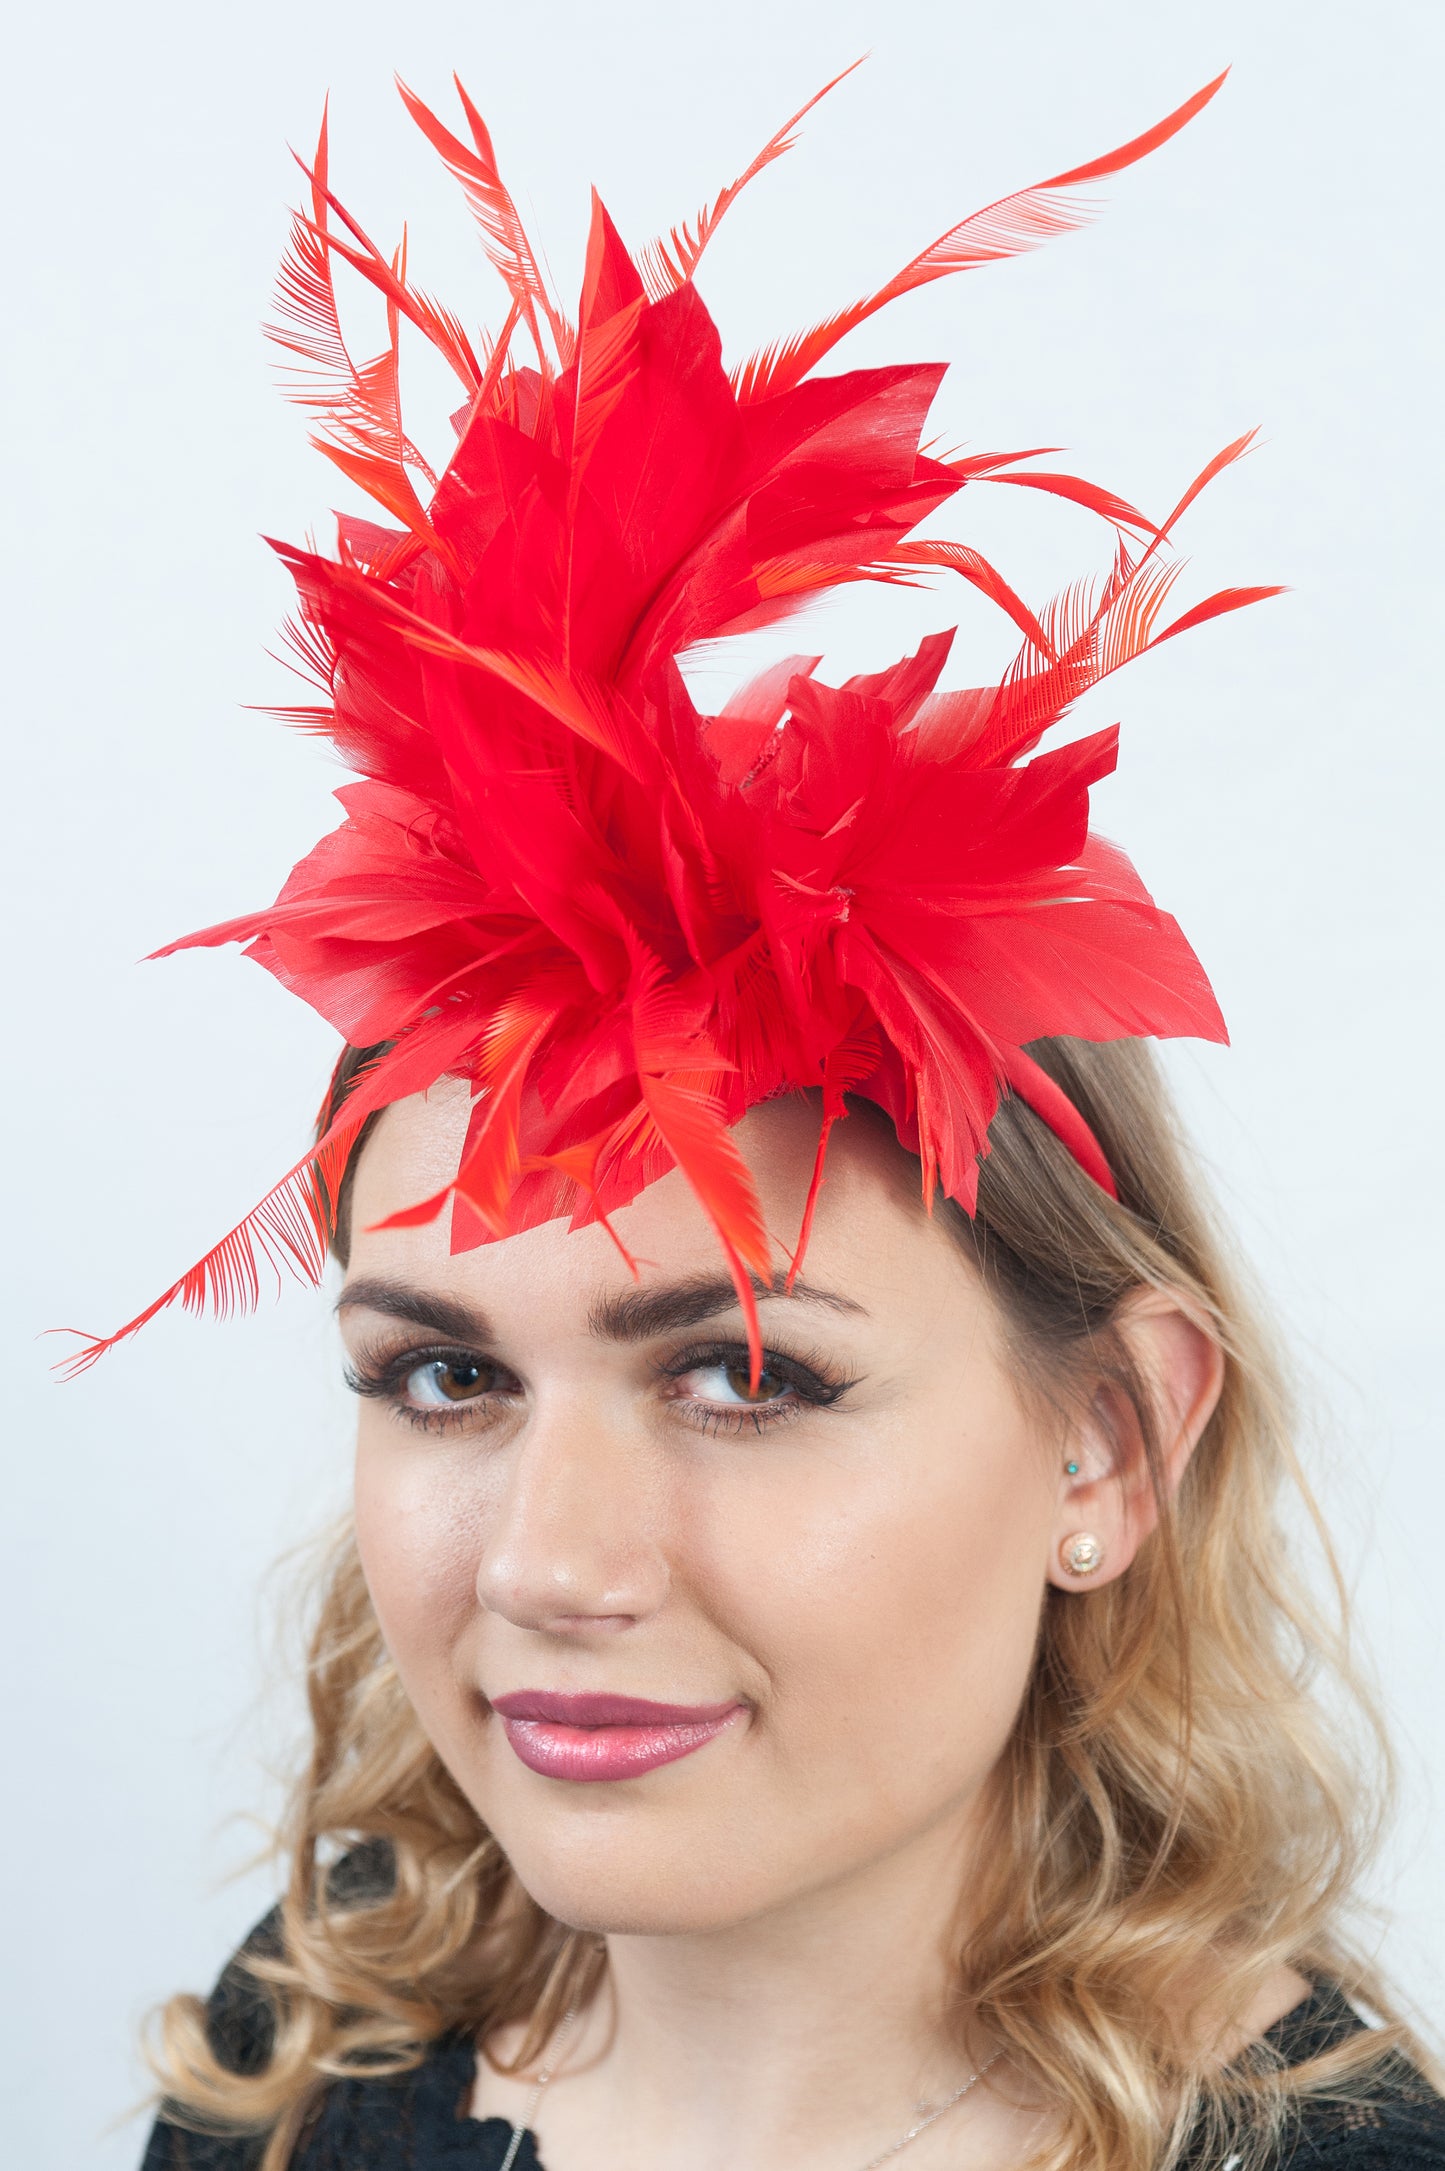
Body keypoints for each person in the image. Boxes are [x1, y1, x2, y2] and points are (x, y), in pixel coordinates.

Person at [95, 63, 1441, 2171]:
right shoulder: (311, 2056)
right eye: (444, 1371)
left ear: (1110, 1440)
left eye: (742, 1374)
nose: (546, 1562)